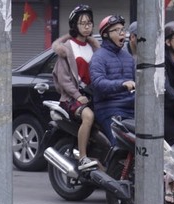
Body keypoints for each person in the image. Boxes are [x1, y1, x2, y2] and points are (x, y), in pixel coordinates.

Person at [51, 5, 101, 171]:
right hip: (72, 98)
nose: (86, 26)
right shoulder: (67, 48)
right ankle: (83, 157)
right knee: (88, 116)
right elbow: (64, 79)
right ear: (74, 25)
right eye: (82, 23)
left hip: (92, 96)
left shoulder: (94, 48)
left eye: (89, 23)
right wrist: (77, 95)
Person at [89, 14, 136, 143]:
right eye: (117, 30)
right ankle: (110, 163)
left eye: (123, 30)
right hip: (109, 109)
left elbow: (138, 82)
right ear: (105, 35)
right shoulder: (99, 57)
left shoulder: (128, 57)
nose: (122, 34)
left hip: (131, 109)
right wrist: (122, 84)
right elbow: (98, 83)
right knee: (120, 144)